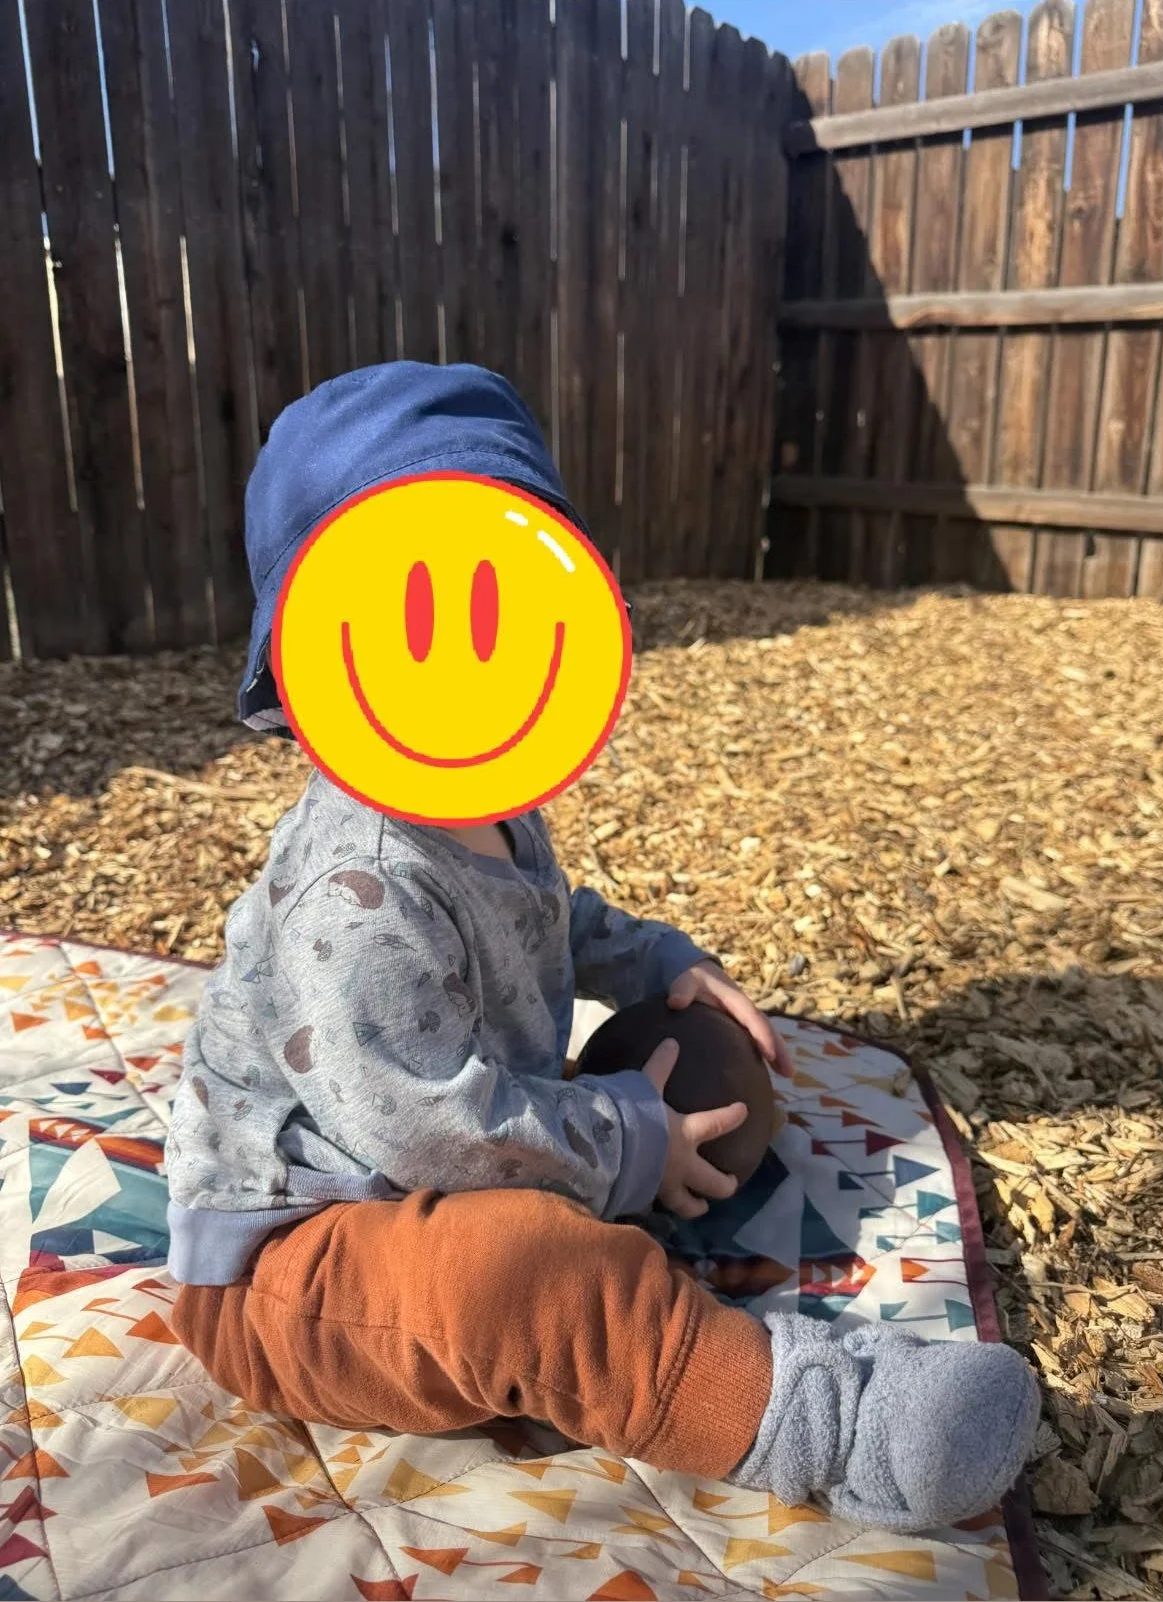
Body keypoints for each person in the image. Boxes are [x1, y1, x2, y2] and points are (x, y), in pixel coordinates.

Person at [165, 361, 1038, 1532]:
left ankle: (627, 1211)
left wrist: (660, 965)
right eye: (423, 622)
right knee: (514, 1274)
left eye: (503, 616)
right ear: (319, 651)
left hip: (466, 1132)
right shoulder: (353, 882)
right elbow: (422, 1123)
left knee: (715, 1064)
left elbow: (542, 917)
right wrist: (621, 1137)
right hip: (306, 1255)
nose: (470, 658)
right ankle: (833, 1420)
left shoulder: (486, 793)